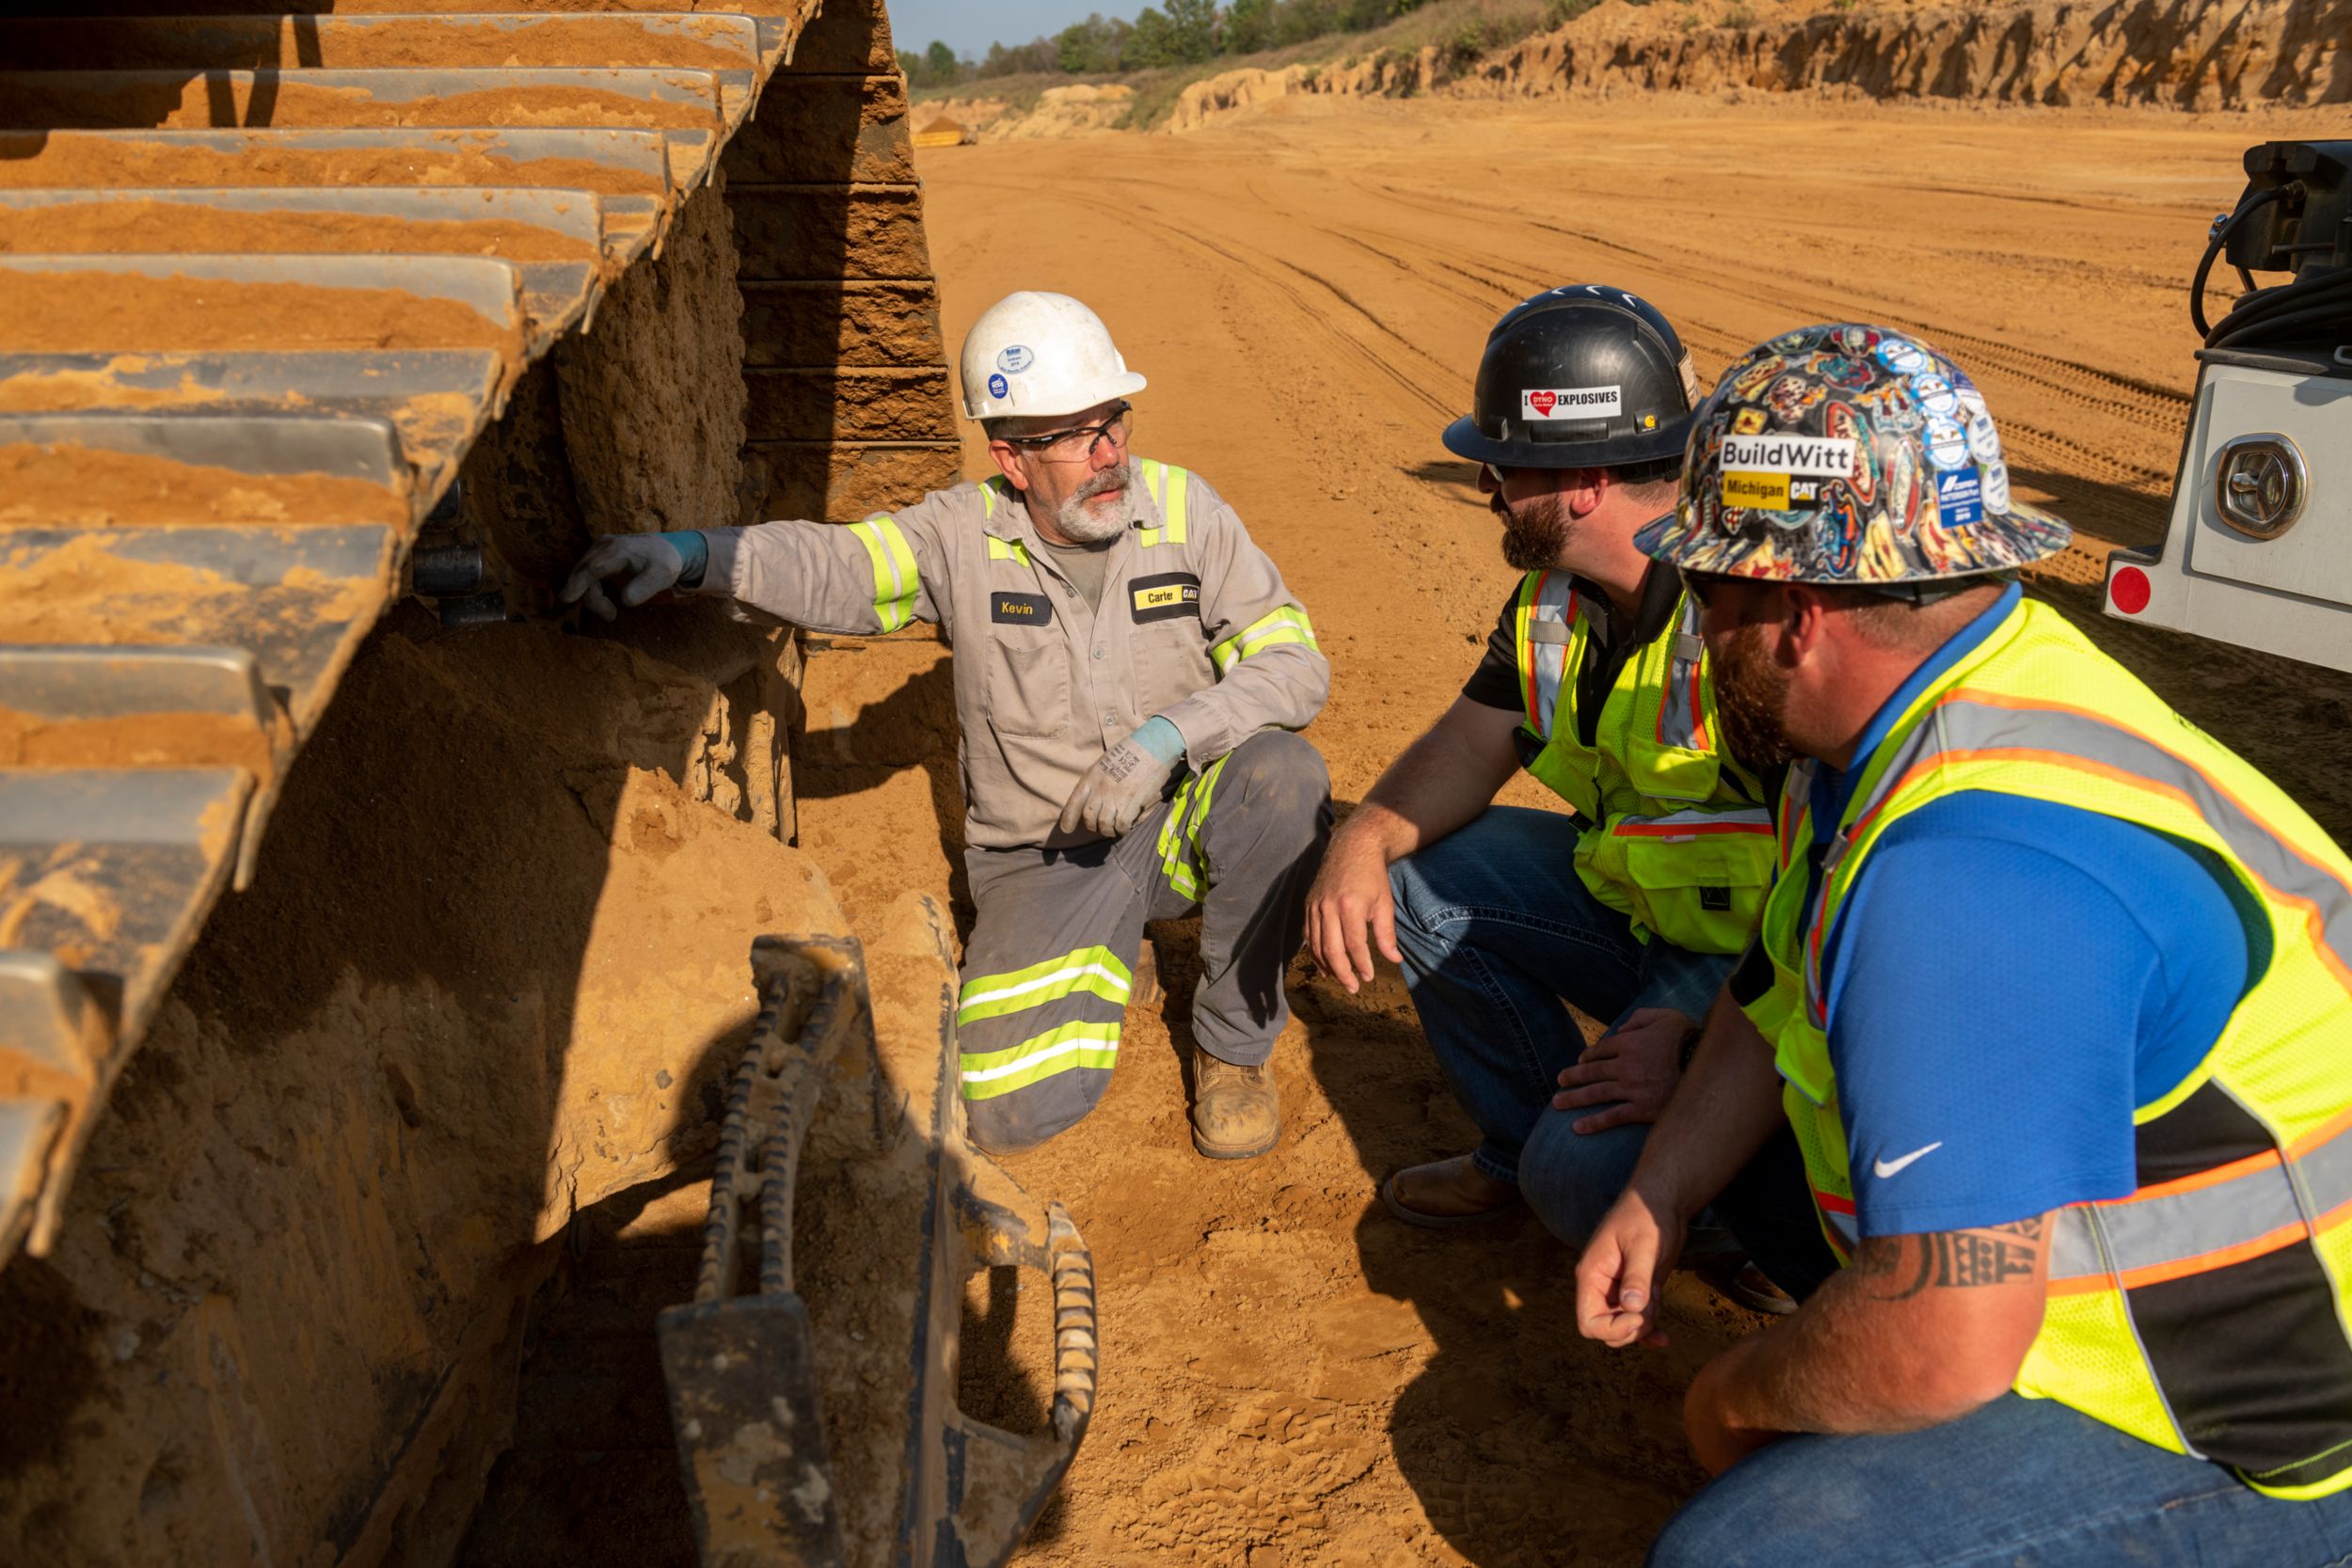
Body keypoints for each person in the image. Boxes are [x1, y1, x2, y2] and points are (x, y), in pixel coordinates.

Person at [1577, 322, 2352, 1564]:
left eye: (1712, 591)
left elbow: (1947, 1337)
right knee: (1596, 1177)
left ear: (1797, 615)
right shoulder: (1901, 717)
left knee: (1747, 1550)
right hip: (2069, 1278)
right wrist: (1662, 1189)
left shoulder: (1965, 872)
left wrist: (1728, 1396)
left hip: (2260, 1443)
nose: (1693, 625)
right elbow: (1771, 992)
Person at [564, 291, 1332, 1160]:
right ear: (1011, 458)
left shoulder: (1187, 511)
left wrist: (1168, 739)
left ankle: (1231, 1047)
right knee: (1005, 1109)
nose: (1110, 453)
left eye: (1113, 421)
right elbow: (839, 564)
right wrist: (692, 555)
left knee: (1284, 779)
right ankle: (1117, 947)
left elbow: (1296, 663)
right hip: (1047, 856)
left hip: (1176, 821)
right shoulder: (957, 539)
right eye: (1076, 438)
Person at [1304, 286, 1788, 1275]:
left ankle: (1753, 1227)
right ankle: (1517, 1144)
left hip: (1758, 965)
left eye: (1502, 462)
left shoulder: (1743, 615)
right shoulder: (1551, 600)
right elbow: (1471, 741)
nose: (1482, 480)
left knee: (1577, 1183)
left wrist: (1696, 1035)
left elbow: (1838, 890)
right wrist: (1360, 839)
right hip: (1643, 913)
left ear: (1582, 479)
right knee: (1415, 874)